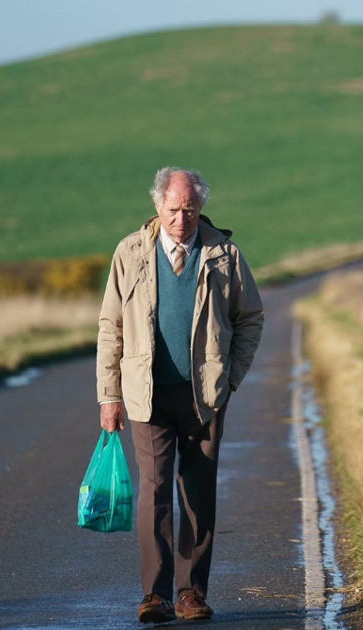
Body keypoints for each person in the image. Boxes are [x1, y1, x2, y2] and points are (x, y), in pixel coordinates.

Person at [95, 166, 265, 623]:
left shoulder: (225, 255)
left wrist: (229, 379)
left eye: (190, 210)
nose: (181, 220)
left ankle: (191, 593)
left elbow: (251, 318)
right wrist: (108, 396)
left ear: (200, 208)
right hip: (147, 396)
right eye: (173, 209)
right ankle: (155, 595)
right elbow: (110, 327)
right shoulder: (129, 252)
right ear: (157, 206)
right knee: (154, 494)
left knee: (197, 494)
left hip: (204, 397)